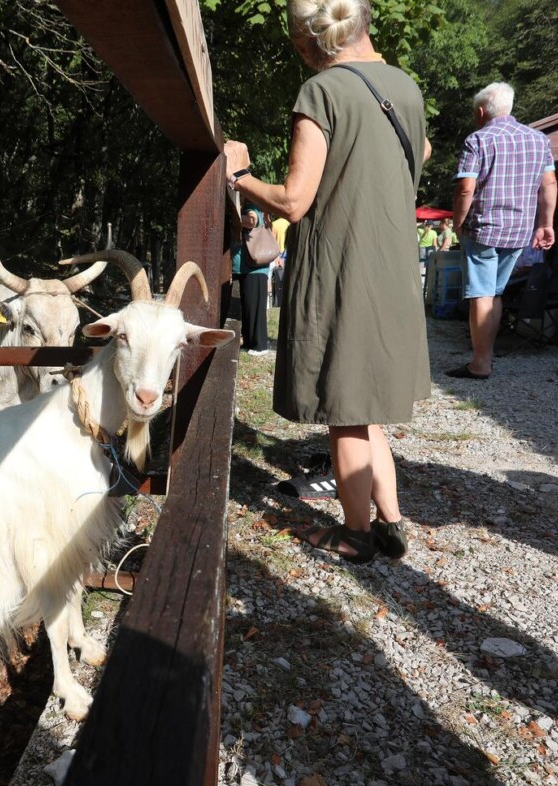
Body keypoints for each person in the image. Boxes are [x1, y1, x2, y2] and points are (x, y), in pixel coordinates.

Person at [224, 0, 431, 563]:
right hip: (392, 262)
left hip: (346, 263)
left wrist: (240, 176)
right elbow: (425, 151)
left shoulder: (322, 92)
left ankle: (356, 535)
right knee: (364, 406)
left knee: (344, 407)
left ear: (308, 42)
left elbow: (295, 198)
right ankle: (390, 525)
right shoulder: (406, 87)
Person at [446, 81, 558, 380]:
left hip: (483, 227)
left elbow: (465, 187)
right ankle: (486, 356)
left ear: (481, 112)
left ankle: (480, 363)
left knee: (481, 294)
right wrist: (545, 224)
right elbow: (549, 184)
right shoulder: (539, 140)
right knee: (494, 293)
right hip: (519, 230)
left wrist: (458, 221)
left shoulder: (478, 140)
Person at [233, 204, 273, 355]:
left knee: (255, 308)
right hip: (250, 268)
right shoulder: (253, 206)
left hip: (254, 268)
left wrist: (234, 217)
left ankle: (260, 345)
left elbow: (251, 220)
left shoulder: (251, 206)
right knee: (250, 307)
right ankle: (250, 342)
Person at [271, 214, 290, 307]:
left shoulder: (274, 224)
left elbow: (271, 242)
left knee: (276, 281)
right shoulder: (290, 224)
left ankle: (276, 300)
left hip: (276, 256)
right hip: (287, 256)